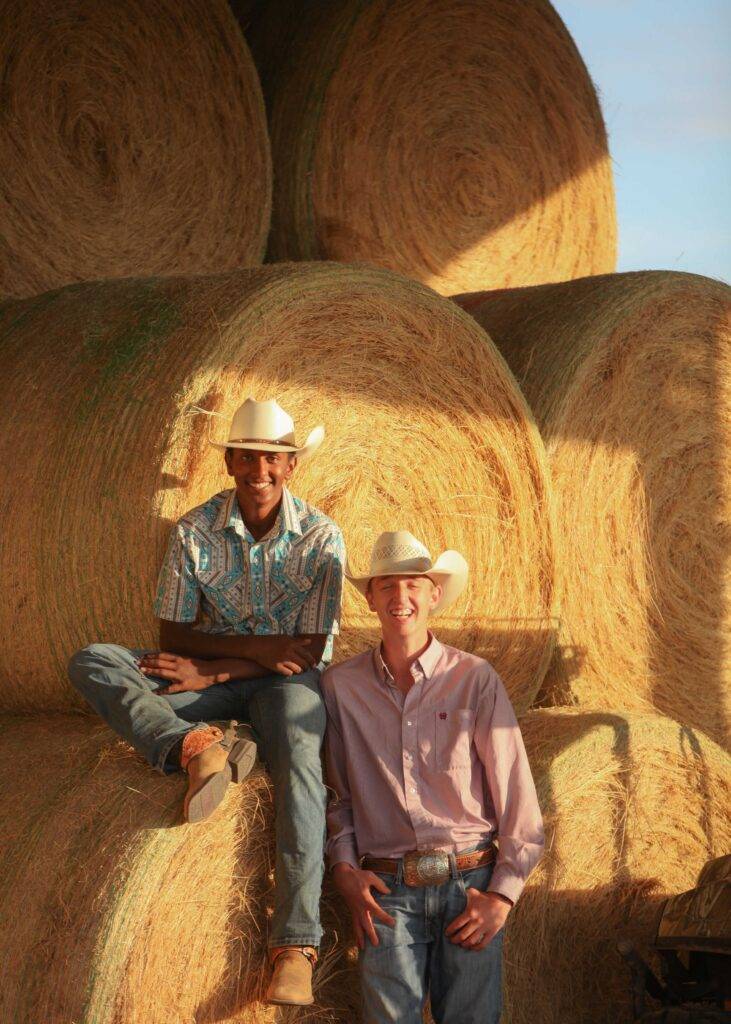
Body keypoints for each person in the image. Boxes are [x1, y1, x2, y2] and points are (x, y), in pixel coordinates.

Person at [68, 397, 345, 1007]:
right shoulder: (195, 530)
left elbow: (306, 652)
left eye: (272, 458)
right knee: (94, 660)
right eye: (247, 456)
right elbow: (173, 635)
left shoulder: (323, 537)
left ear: (292, 466)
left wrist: (217, 671)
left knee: (301, 757)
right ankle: (192, 746)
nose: (259, 470)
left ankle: (294, 945)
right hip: (205, 673)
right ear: (228, 462)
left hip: (279, 686)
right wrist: (237, 658)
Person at [321, 530, 544, 1023]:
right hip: (387, 892)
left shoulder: (475, 679)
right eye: (387, 586)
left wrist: (502, 896)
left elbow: (517, 797)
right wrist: (343, 871)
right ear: (370, 597)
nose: (401, 598)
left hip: (471, 885)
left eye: (413, 585)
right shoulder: (341, 688)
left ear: (434, 594)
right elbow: (336, 797)